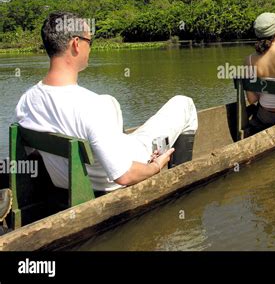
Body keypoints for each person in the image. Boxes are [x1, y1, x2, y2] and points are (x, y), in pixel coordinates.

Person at [15, 12, 198, 193]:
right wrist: (156, 166)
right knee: (184, 104)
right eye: (90, 42)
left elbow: (34, 154)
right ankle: (180, 185)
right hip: (118, 176)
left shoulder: (26, 101)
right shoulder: (92, 106)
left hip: (67, 183)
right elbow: (124, 175)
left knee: (111, 103)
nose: (90, 48)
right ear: (76, 44)